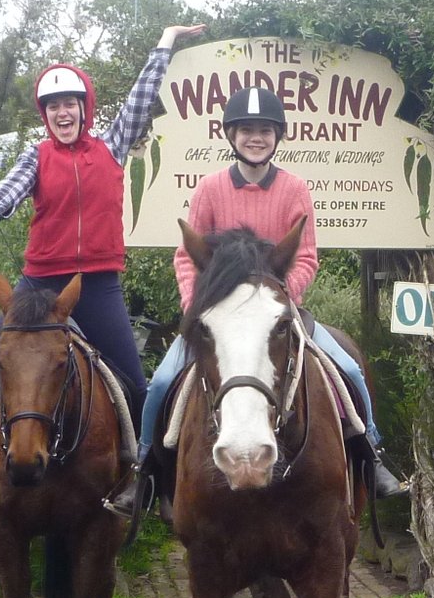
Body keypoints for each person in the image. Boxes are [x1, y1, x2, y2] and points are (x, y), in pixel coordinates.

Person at [0, 25, 207, 459]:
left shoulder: (112, 146)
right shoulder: (35, 157)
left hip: (97, 285)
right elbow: (8, 192)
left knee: (133, 381)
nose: (62, 113)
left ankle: (152, 474)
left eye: (70, 104)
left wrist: (166, 41)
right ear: (46, 114)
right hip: (40, 282)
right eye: (53, 105)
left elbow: (142, 96)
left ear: (84, 107)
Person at [138, 83, 410, 500]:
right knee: (159, 383)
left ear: (277, 136)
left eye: (264, 129)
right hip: (220, 316)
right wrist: (196, 305)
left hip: (278, 312)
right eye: (246, 129)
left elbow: (305, 258)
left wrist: (281, 299)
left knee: (350, 370)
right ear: (231, 135)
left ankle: (371, 457)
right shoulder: (210, 188)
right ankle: (145, 474)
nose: (255, 137)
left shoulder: (294, 189)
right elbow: (186, 257)